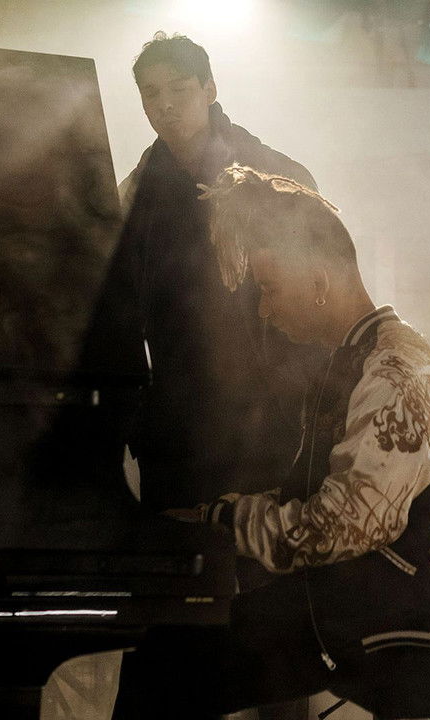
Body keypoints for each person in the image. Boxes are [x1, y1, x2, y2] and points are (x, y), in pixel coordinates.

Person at [110, 166, 430, 719]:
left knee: (170, 659)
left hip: (404, 609)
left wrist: (223, 524)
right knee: (174, 645)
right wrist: (208, 518)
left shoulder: (397, 369)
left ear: (318, 283)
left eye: (269, 290)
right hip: (361, 596)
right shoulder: (353, 361)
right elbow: (310, 499)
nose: (264, 310)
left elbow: (346, 525)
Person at [86, 32, 324, 518]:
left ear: (209, 89)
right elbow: (117, 311)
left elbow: (319, 296)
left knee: (265, 553)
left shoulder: (276, 178)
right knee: (180, 551)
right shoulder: (133, 198)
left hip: (271, 416)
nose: (164, 105)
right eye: (150, 94)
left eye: (178, 89)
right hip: (178, 424)